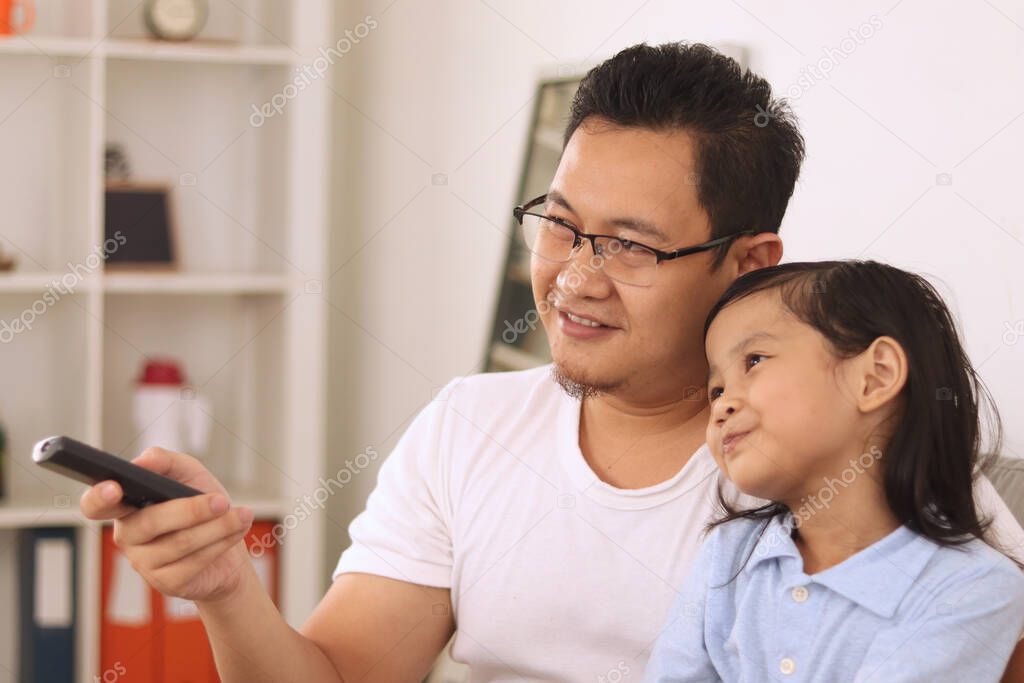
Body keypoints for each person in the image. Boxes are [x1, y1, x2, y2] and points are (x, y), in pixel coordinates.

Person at [79, 43, 1024, 682]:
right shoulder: (469, 426)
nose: (574, 277)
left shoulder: (844, 450)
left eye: (630, 245)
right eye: (562, 224)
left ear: (749, 263)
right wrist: (224, 587)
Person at [643, 260, 1024, 682]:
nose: (721, 405)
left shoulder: (974, 587)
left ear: (876, 377)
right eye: (717, 389)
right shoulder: (728, 554)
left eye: (753, 361)